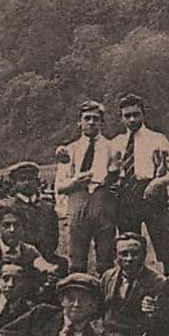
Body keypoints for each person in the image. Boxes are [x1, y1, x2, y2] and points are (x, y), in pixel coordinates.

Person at [108, 93, 169, 274]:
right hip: (126, 198)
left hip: (153, 196)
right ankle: (136, 291)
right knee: (131, 250)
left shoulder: (157, 139)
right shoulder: (116, 142)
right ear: (121, 118)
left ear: (144, 115)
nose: (132, 119)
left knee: (167, 250)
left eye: (136, 114)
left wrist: (158, 182)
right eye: (127, 116)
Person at [56, 100, 116, 275]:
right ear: (79, 121)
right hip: (78, 202)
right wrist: (75, 182)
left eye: (96, 119)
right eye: (87, 118)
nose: (91, 122)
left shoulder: (111, 147)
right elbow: (60, 186)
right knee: (77, 257)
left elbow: (117, 177)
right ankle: (78, 296)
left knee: (106, 256)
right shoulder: (69, 149)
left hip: (103, 204)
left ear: (101, 123)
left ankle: (106, 296)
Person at [99, 231, 167, 336]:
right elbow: (99, 309)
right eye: (124, 254)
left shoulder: (158, 282)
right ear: (115, 256)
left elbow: (162, 324)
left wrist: (154, 312)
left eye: (135, 254)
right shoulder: (108, 277)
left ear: (144, 255)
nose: (129, 259)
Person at [0, 203, 55, 296]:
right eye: (6, 225)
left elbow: (42, 280)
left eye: (16, 225)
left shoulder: (30, 252)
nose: (12, 230)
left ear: (23, 228)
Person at [4, 160, 63, 270]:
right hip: (19, 260)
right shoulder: (9, 209)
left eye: (30, 179)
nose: (27, 183)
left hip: (46, 256)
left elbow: (53, 237)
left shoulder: (48, 208)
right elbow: (9, 240)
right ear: (15, 183)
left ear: (37, 182)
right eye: (22, 179)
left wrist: (45, 256)